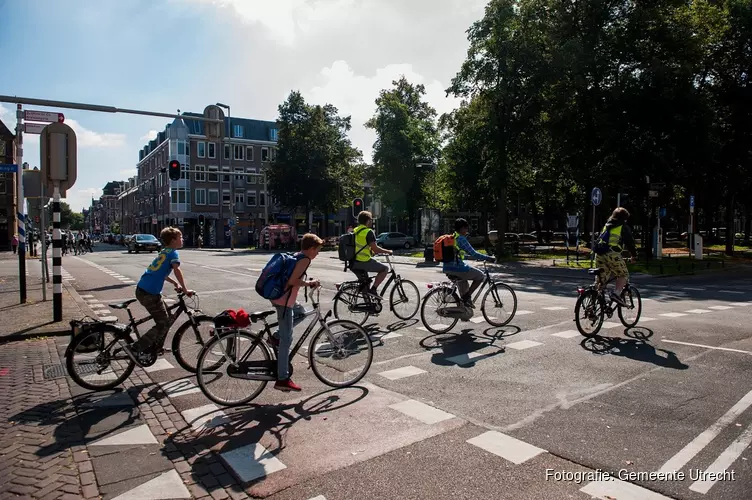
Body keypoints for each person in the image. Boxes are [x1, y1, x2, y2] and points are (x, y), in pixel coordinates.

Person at [126, 227, 193, 363]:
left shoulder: (164, 251)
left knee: (167, 319)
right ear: (173, 240)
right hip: (149, 293)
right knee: (163, 324)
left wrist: (175, 283)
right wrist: (185, 289)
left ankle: (157, 347)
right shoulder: (173, 253)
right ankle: (136, 348)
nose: (182, 239)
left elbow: (160, 272)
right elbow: (177, 269)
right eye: (180, 237)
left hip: (143, 288)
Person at [269, 233, 323, 392]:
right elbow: (292, 281)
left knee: (301, 312)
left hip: (284, 298)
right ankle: (282, 378)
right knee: (287, 340)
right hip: (284, 301)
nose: (318, 253)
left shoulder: (297, 256)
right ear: (311, 248)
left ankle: (276, 336)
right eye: (318, 250)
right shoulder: (305, 259)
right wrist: (309, 283)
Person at [443, 218, 495, 308]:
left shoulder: (452, 237)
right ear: (462, 228)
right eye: (466, 228)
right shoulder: (461, 239)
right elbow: (474, 253)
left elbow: (458, 254)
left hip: (447, 268)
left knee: (464, 285)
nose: (467, 231)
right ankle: (467, 297)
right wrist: (489, 258)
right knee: (480, 276)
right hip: (457, 268)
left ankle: (464, 308)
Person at [593, 207, 637, 306]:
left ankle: (593, 304)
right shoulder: (623, 227)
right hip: (612, 255)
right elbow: (630, 243)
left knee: (601, 281)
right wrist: (634, 256)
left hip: (599, 254)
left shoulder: (606, 225)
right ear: (624, 218)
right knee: (623, 274)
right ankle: (616, 294)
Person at [350, 211, 393, 296]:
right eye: (370, 219)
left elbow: (360, 245)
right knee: (385, 269)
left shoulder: (355, 231)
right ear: (368, 220)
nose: (371, 221)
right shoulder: (368, 232)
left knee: (365, 284)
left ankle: (368, 306)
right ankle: (374, 290)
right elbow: (376, 249)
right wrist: (388, 251)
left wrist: (371, 252)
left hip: (353, 262)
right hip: (363, 261)